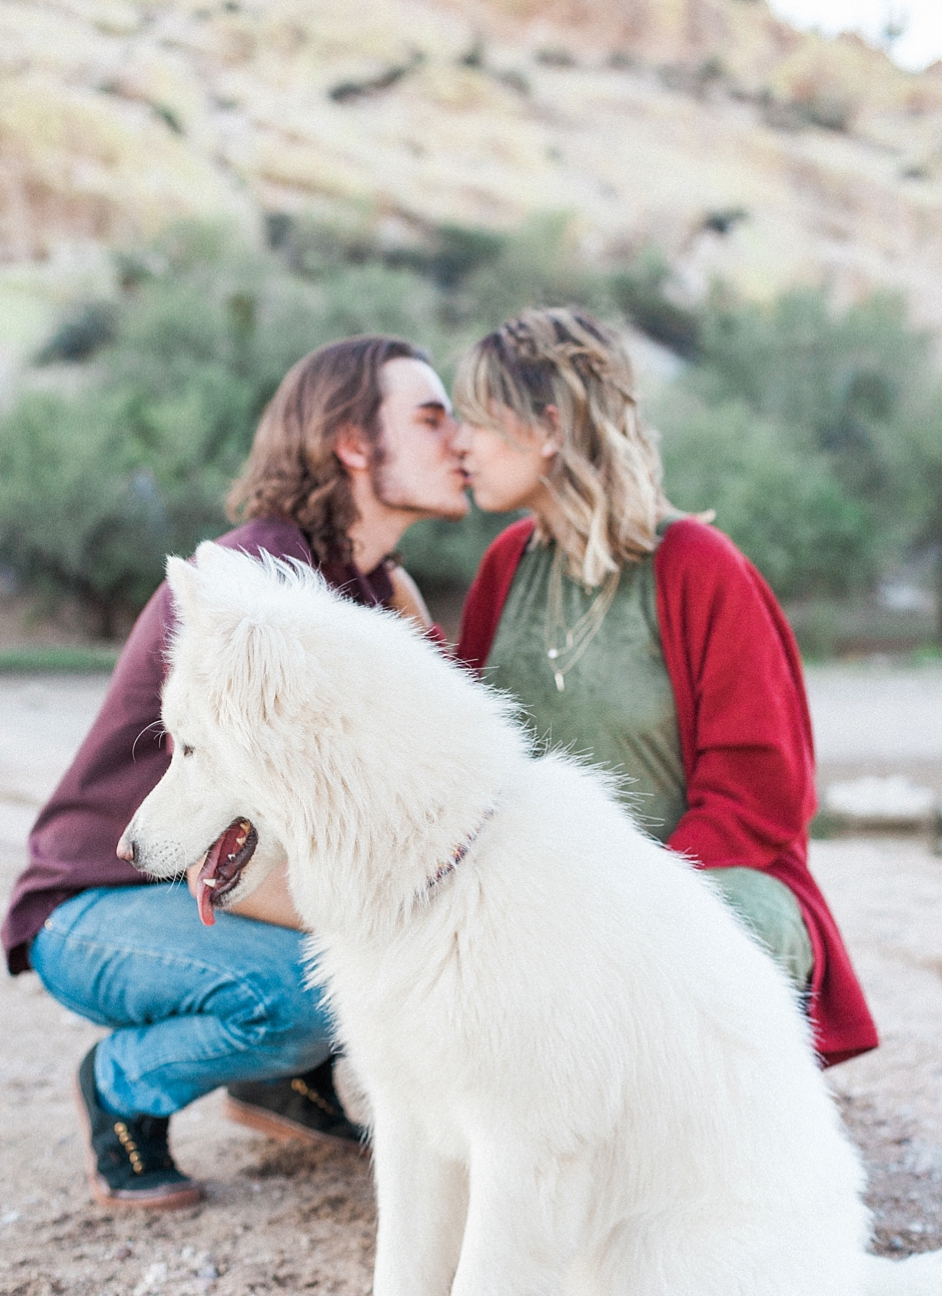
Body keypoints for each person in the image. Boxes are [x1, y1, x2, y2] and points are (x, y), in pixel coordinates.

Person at [2, 335, 468, 1209]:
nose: (462, 442)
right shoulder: (257, 588)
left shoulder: (364, 588)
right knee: (313, 988)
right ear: (352, 443)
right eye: (431, 419)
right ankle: (121, 1083)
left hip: (199, 889)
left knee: (395, 940)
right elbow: (227, 851)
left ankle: (280, 1085)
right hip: (102, 898)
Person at [453, 307, 877, 1067]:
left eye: (476, 421)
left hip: (696, 886)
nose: (459, 444)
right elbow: (473, 765)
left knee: (716, 939)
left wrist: (629, 899)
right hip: (542, 894)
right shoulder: (504, 565)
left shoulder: (696, 565)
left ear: (547, 427)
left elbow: (762, 794)